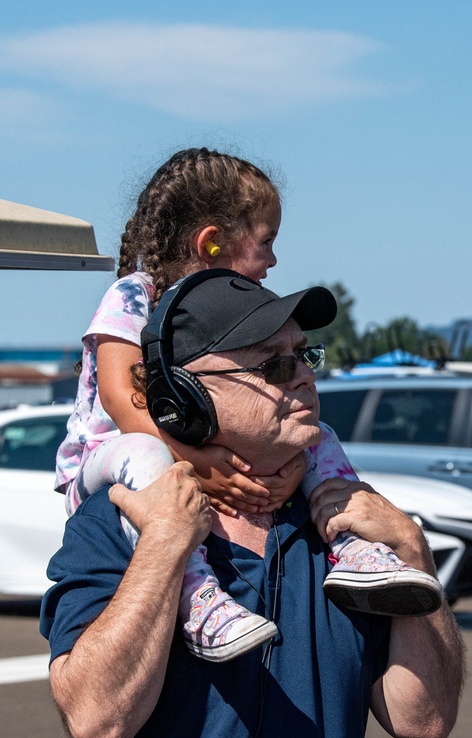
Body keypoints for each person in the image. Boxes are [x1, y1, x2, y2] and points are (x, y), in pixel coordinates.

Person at [40, 271, 466, 738]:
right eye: (275, 364)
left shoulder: (349, 528)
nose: (304, 378)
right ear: (187, 395)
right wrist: (165, 546)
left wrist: (414, 554)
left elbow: (422, 719)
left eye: (305, 357)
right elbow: (97, 721)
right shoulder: (119, 518)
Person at [54, 148, 442, 663]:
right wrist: (195, 461)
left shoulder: (240, 308)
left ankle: (351, 548)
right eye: (266, 241)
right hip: (114, 455)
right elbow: (124, 400)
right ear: (210, 241)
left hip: (182, 447)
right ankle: (200, 598)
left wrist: (297, 462)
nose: (275, 259)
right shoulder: (136, 295)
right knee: (148, 457)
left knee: (319, 435)